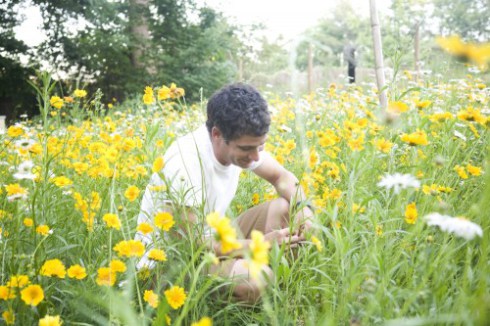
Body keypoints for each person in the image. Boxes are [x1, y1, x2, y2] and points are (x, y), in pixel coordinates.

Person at [136, 83, 314, 304]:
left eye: (260, 147)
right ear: (217, 134)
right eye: (247, 148)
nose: (256, 157)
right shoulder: (184, 164)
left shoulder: (240, 144)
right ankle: (249, 292)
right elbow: (196, 246)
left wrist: (305, 209)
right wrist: (262, 244)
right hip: (173, 262)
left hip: (215, 240)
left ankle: (281, 295)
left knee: (286, 208)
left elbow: (283, 178)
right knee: (257, 279)